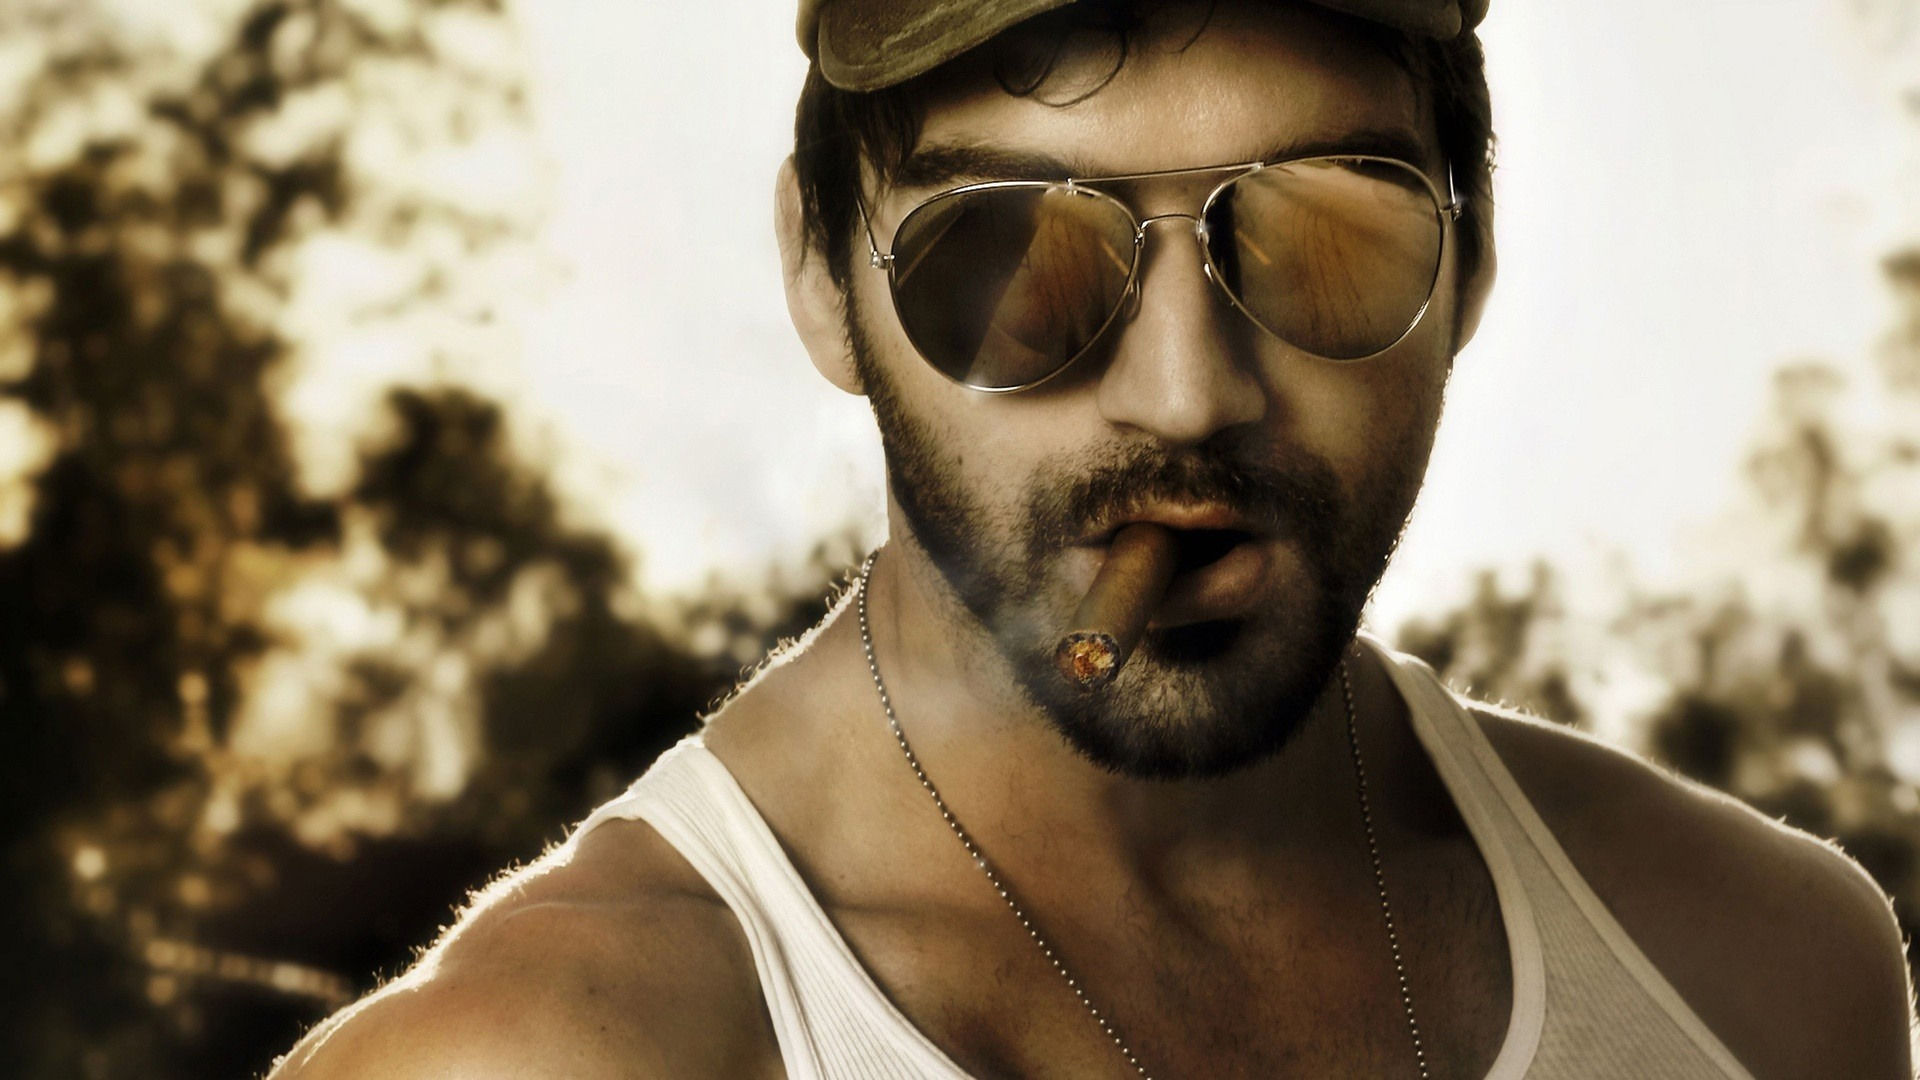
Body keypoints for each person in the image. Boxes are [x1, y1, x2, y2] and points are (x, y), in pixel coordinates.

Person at [269, 1, 1917, 1077]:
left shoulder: (1768, 975)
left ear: (1473, 265)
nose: (1188, 393)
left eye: (1328, 237)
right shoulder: (548, 1055)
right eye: (1013, 256)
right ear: (821, 278)